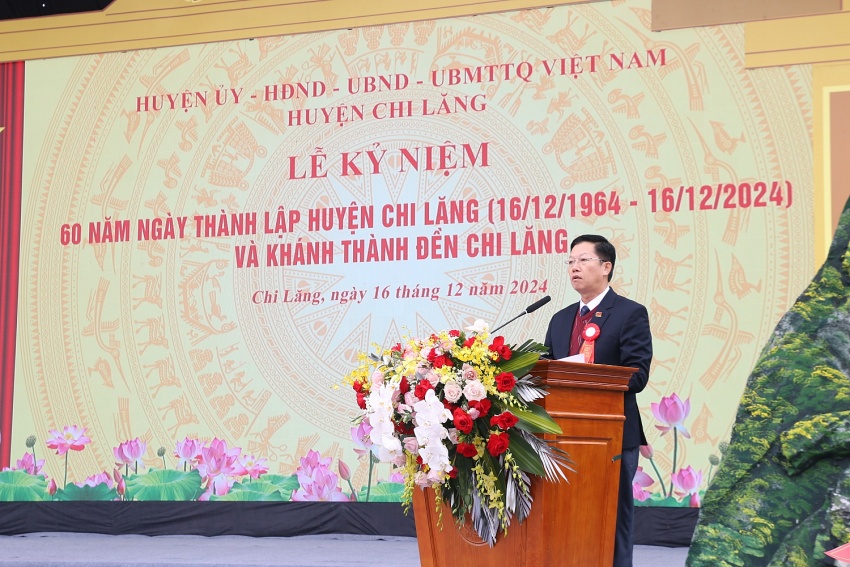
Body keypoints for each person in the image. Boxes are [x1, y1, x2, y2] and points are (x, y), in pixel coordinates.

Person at [544, 234, 653, 567]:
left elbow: (637, 375)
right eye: (570, 261)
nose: (574, 267)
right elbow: (546, 372)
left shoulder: (630, 313)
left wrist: (588, 377)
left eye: (583, 260)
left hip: (612, 435)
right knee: (566, 516)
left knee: (612, 517)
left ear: (606, 267)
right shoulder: (560, 319)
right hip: (562, 434)